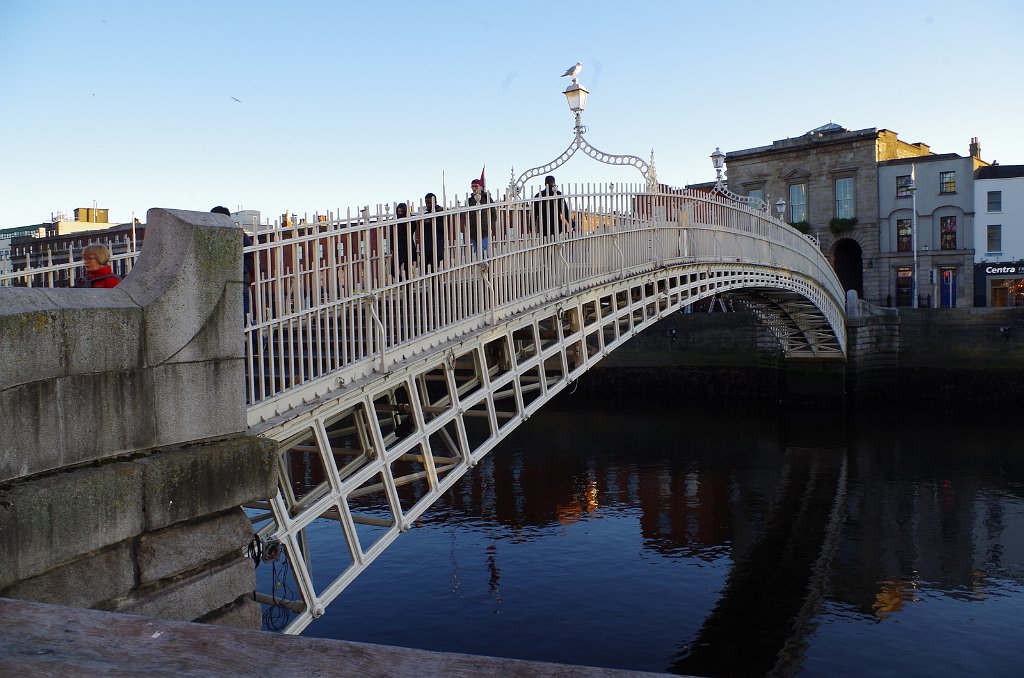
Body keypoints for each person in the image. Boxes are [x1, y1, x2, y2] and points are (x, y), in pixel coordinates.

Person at [211, 206, 255, 319]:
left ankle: (252, 335)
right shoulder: (235, 233)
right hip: (231, 276)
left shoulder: (238, 234)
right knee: (236, 312)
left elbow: (251, 255)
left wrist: (245, 270)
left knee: (240, 313)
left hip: (238, 276)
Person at [466, 178, 497, 255]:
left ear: (481, 187)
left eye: (476, 186)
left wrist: (489, 226)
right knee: (477, 252)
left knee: (482, 249)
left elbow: (494, 214)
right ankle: (483, 266)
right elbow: (466, 215)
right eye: (472, 186)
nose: (474, 188)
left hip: (485, 229)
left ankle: (485, 265)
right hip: (473, 230)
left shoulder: (487, 198)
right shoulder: (469, 200)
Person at [417, 193, 446, 271]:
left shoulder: (440, 212)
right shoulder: (426, 214)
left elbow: (443, 228)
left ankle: (435, 283)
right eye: (426, 203)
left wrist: (430, 222)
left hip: (436, 246)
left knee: (434, 270)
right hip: (426, 247)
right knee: (424, 269)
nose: (427, 205)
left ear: (435, 201)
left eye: (429, 203)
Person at [393, 202, 411, 279]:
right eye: (398, 212)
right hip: (398, 248)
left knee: (407, 271)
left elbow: (412, 229)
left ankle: (407, 287)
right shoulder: (394, 221)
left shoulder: (410, 219)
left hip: (407, 247)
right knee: (393, 270)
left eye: (401, 212)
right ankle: (402, 283)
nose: (400, 213)